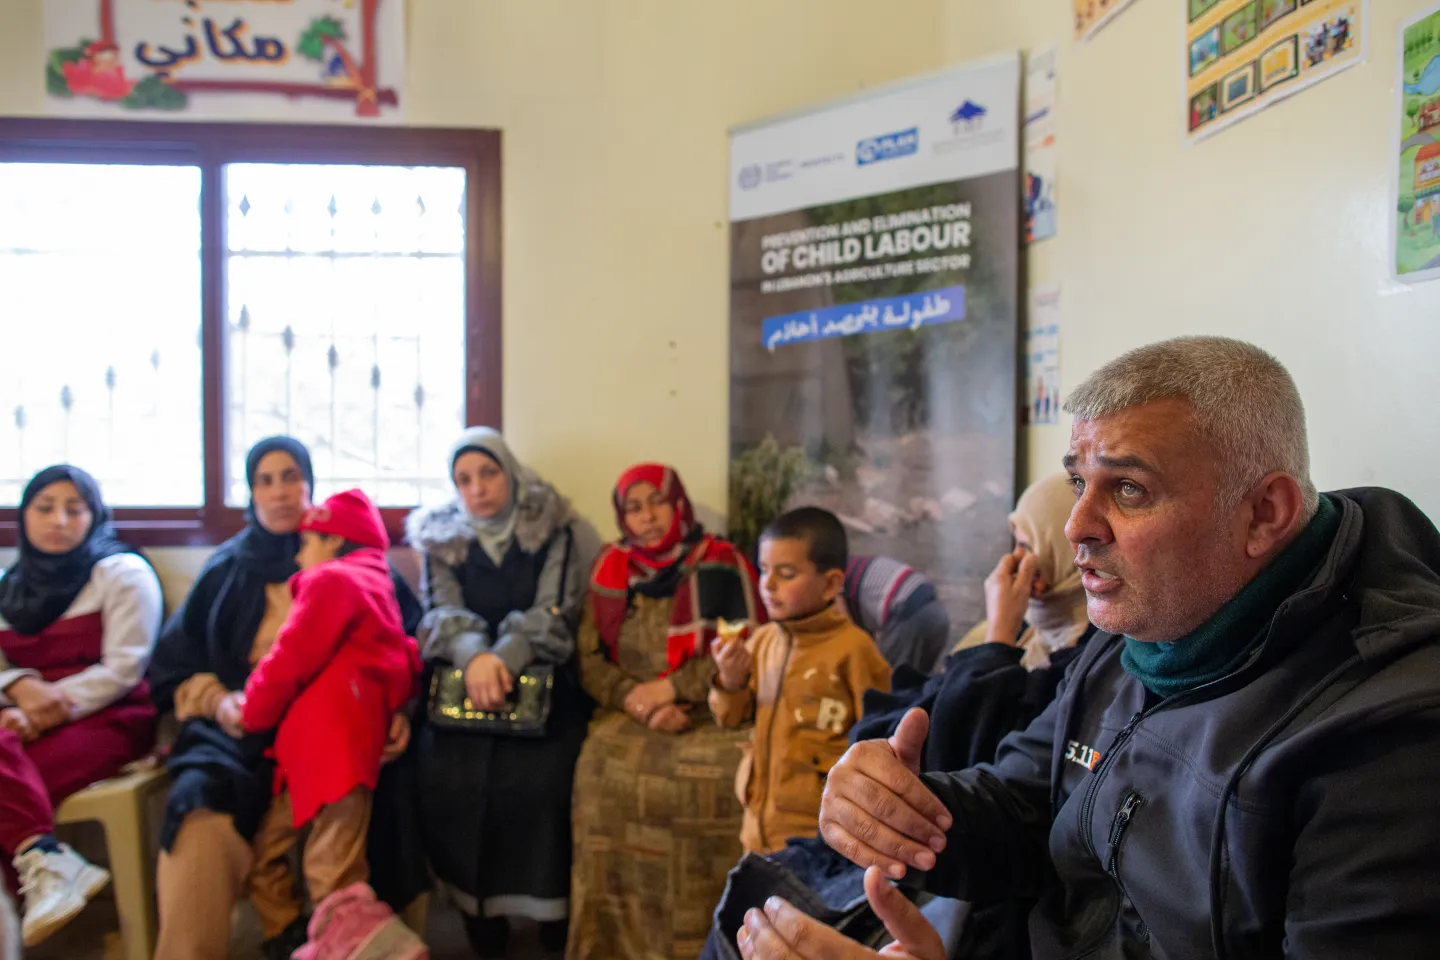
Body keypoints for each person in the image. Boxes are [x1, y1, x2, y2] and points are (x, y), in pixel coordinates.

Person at [737, 336, 1440, 960]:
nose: (1076, 525)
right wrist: (896, 811)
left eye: (1128, 488)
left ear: (1264, 512)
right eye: (1078, 481)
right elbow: (1026, 805)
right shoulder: (1133, 633)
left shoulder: (1394, 739)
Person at [147, 437, 423, 960]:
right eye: (264, 481)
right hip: (242, 729)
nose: (278, 492)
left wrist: (397, 712)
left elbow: (405, 650)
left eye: (290, 476)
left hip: (333, 726)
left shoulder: (360, 567)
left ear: (310, 486)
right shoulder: (226, 570)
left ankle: (357, 934)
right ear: (250, 494)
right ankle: (275, 933)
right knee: (200, 807)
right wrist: (216, 700)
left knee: (383, 794)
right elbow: (173, 665)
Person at [568, 463, 766, 960]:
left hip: (714, 708)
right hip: (630, 710)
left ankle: (722, 943)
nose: (647, 516)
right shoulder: (610, 567)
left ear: (678, 505)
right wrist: (639, 701)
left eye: (656, 501)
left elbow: (745, 646)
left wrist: (674, 687)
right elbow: (589, 659)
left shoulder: (722, 561)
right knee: (598, 775)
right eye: (633, 508)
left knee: (735, 779)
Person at [406, 427, 590, 958]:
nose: (478, 488)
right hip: (465, 686)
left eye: (487, 473)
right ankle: (480, 920)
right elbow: (438, 611)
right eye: (464, 480)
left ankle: (552, 917)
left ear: (508, 472)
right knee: (449, 776)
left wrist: (502, 658)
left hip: (541, 679)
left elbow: (555, 610)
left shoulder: (554, 528)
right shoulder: (441, 539)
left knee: (545, 783)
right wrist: (476, 659)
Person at [240, 489, 422, 949]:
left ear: (335, 542)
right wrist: (394, 709)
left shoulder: (332, 584)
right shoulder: (377, 587)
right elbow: (403, 659)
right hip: (327, 752)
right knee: (274, 855)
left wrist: (252, 710)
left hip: (330, 752)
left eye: (307, 542)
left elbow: (288, 659)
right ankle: (295, 940)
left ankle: (380, 950)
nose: (299, 555)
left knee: (332, 878)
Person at [0, 466, 161, 948]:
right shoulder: (7, 585)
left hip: (109, 718)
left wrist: (41, 708)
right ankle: (44, 859)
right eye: (45, 507)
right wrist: (18, 684)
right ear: (23, 516)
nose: (59, 521)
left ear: (94, 516)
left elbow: (124, 669)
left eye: (75, 509)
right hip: (20, 723)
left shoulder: (122, 573)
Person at [711, 507, 891, 854]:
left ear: (831, 584)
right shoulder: (760, 642)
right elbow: (730, 717)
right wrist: (730, 681)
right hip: (758, 833)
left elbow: (879, 739)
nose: (768, 584)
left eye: (787, 573)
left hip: (822, 839)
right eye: (763, 570)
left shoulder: (854, 651)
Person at [952, 472, 1090, 669]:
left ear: (1065, 554)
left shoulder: (1089, 656)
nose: (1015, 560)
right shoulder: (1029, 633)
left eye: (1027, 547)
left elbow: (977, 700)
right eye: (1015, 543)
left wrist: (999, 639)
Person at [842, 556, 951, 673]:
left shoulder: (834, 581)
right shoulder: (854, 569)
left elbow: (843, 631)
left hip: (908, 614)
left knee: (887, 683)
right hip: (937, 611)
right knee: (918, 684)